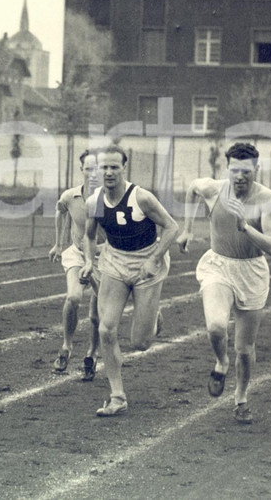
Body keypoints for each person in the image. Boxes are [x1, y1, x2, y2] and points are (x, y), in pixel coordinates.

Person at [176, 142, 271, 424]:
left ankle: (241, 398)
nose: (240, 177)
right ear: (227, 168)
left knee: (245, 349)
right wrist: (187, 229)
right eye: (235, 170)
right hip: (218, 266)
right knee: (216, 327)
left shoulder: (267, 199)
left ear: (257, 169)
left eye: (246, 171)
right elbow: (192, 189)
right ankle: (221, 362)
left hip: (252, 271)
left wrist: (245, 226)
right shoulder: (213, 189)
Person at [82, 144, 178, 417]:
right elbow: (89, 236)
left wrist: (154, 259)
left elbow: (172, 227)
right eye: (104, 167)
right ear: (98, 170)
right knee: (106, 329)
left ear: (124, 168)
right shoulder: (94, 202)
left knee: (141, 343)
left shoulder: (142, 197)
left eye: (114, 167)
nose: (109, 172)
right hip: (114, 262)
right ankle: (117, 396)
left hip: (147, 263)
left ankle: (152, 318)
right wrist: (89, 261)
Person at [48, 149, 102, 381]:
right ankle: (66, 347)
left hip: (104, 258)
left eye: (97, 168)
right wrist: (58, 244)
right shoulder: (70, 196)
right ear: (81, 170)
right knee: (73, 297)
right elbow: (60, 211)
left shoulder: (112, 198)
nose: (93, 173)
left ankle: (92, 354)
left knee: (98, 313)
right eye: (88, 168)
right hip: (77, 253)